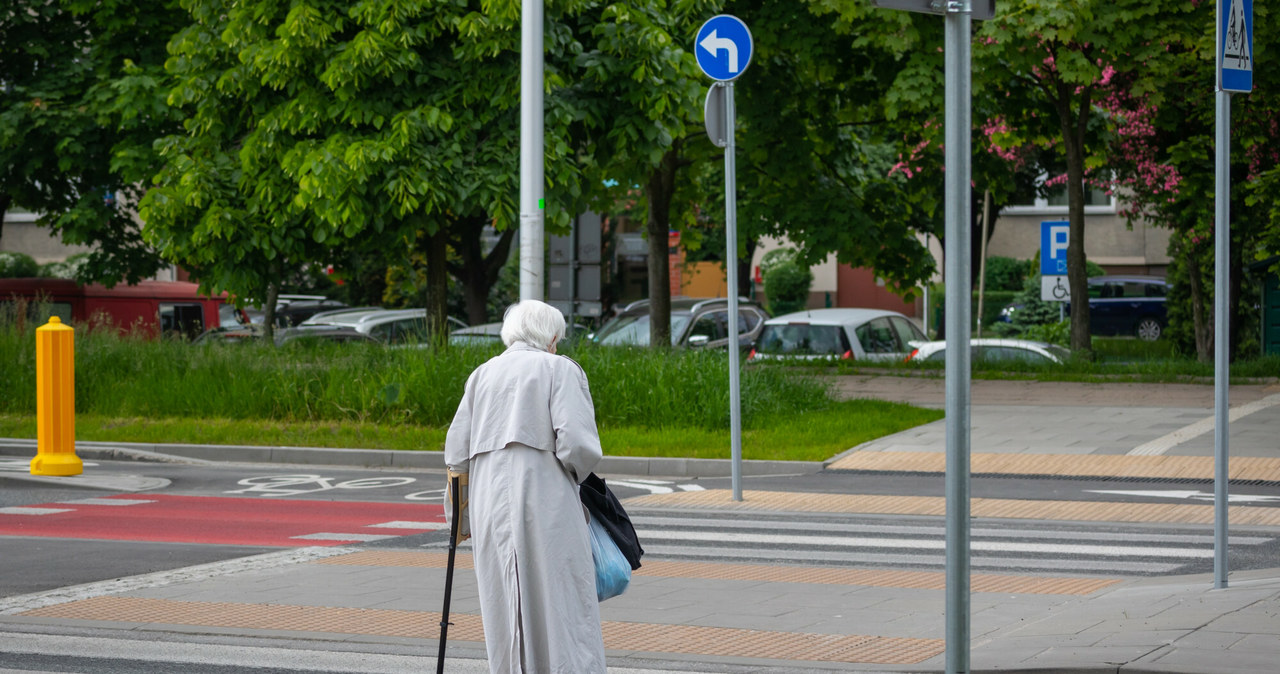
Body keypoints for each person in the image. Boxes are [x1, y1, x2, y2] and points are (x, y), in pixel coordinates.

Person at [444, 300, 606, 673]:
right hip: (543, 494)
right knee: (559, 599)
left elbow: (456, 454)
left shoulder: (481, 374)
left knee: (503, 599)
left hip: (488, 499)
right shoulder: (558, 369)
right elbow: (579, 445)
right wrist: (577, 478)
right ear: (551, 337)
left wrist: (459, 520)